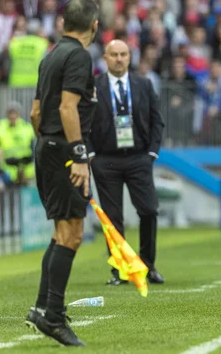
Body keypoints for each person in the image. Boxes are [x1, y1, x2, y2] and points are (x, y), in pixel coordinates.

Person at [25, 0, 99, 347]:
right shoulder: (78, 56)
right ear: (94, 26)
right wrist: (78, 157)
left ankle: (42, 307)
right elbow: (68, 108)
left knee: (60, 232)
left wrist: (48, 147)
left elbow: (35, 113)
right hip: (65, 151)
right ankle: (54, 317)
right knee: (72, 233)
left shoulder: (50, 55)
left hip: (47, 147)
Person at [88, 39, 165, 286]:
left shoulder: (143, 84)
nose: (119, 59)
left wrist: (152, 152)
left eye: (123, 54)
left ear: (129, 58)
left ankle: (147, 265)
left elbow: (157, 120)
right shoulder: (94, 86)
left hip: (138, 157)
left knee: (149, 210)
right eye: (114, 54)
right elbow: (83, 122)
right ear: (106, 58)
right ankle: (120, 270)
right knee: (112, 217)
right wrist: (90, 155)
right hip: (105, 159)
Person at [0, 102, 36, 185]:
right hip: (6, 169)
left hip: (26, 169)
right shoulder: (0, 128)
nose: (13, 116)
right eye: (10, 113)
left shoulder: (27, 128)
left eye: (15, 113)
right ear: (7, 114)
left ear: (19, 114)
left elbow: (33, 149)